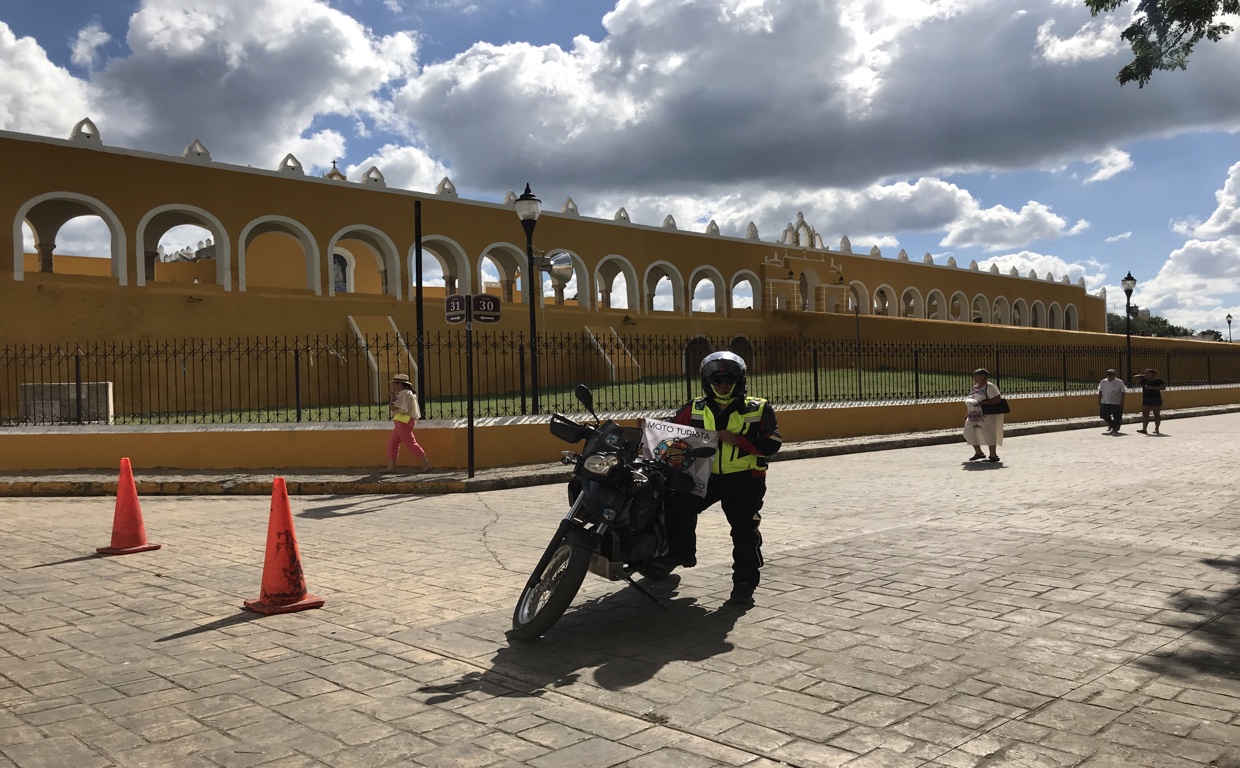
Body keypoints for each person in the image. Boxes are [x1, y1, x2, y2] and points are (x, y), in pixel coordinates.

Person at [659, 351, 782, 606]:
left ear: (739, 380)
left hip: (746, 480)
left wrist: (739, 441)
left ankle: (744, 584)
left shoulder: (758, 408)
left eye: (728, 380)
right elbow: (670, 431)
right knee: (674, 503)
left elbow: (773, 444)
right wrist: (653, 431)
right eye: (717, 380)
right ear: (707, 382)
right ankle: (680, 554)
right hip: (705, 476)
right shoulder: (695, 407)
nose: (723, 385)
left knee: (744, 531)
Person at [385, 373, 432, 473]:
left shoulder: (403, 394)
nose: (393, 385)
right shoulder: (408, 393)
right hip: (403, 421)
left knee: (410, 443)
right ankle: (391, 467)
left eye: (394, 383)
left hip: (403, 421)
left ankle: (426, 464)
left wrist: (391, 397)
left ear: (400, 384)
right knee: (393, 442)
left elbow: (393, 407)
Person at [963, 368, 1003, 462]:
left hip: (986, 414)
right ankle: (979, 452)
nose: (974, 378)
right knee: (969, 432)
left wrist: (981, 403)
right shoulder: (974, 387)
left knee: (989, 433)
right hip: (973, 415)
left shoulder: (990, 387)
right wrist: (968, 413)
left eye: (976, 376)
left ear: (983, 377)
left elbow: (997, 400)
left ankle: (993, 455)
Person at [1133, 368, 1166, 434]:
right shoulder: (1145, 380)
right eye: (1145, 373)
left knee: (1156, 414)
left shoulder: (1158, 380)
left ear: (1153, 374)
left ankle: (1157, 429)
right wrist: (1144, 376)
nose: (1146, 374)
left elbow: (1163, 387)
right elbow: (1135, 376)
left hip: (1156, 398)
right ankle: (1144, 429)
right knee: (1145, 414)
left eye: (1148, 373)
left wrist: (1151, 388)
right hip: (1146, 398)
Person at [1097, 368, 1127, 434]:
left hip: (1116, 401)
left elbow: (1123, 392)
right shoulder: (1103, 381)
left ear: (1115, 375)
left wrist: (1122, 401)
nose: (1109, 376)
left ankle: (1115, 429)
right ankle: (1112, 424)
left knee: (1117, 416)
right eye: (1108, 374)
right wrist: (1099, 400)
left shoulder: (1119, 382)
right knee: (1104, 415)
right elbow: (1100, 391)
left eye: (1111, 374)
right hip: (1105, 401)